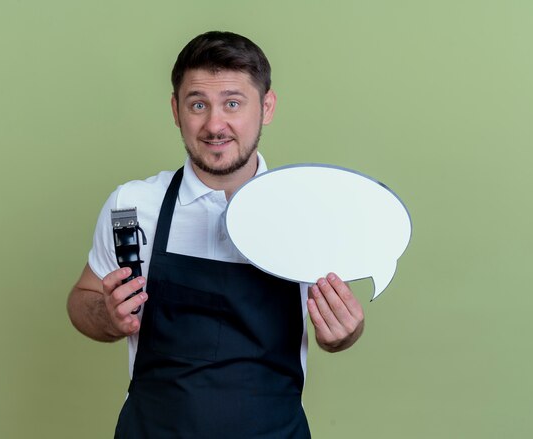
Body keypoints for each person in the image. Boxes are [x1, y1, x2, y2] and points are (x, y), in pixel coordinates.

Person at [67, 31, 365, 438]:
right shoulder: (133, 206)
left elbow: (337, 330)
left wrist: (344, 332)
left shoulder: (306, 214)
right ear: (176, 109)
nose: (214, 124)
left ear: (267, 106)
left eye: (233, 103)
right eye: (198, 104)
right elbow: (83, 302)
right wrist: (110, 316)